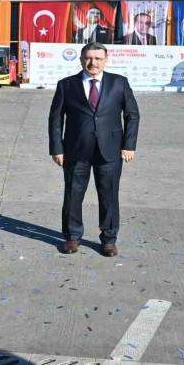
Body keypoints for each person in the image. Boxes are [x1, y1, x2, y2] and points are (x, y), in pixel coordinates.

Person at [48, 42, 140, 257]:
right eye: (89, 58)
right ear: (81, 59)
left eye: (98, 58)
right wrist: (57, 148)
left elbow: (132, 115)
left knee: (109, 196)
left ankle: (109, 239)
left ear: (105, 60)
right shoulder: (66, 85)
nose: (93, 63)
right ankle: (72, 237)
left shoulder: (119, 83)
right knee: (73, 194)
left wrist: (129, 145)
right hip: (75, 150)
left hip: (110, 151)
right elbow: (55, 119)